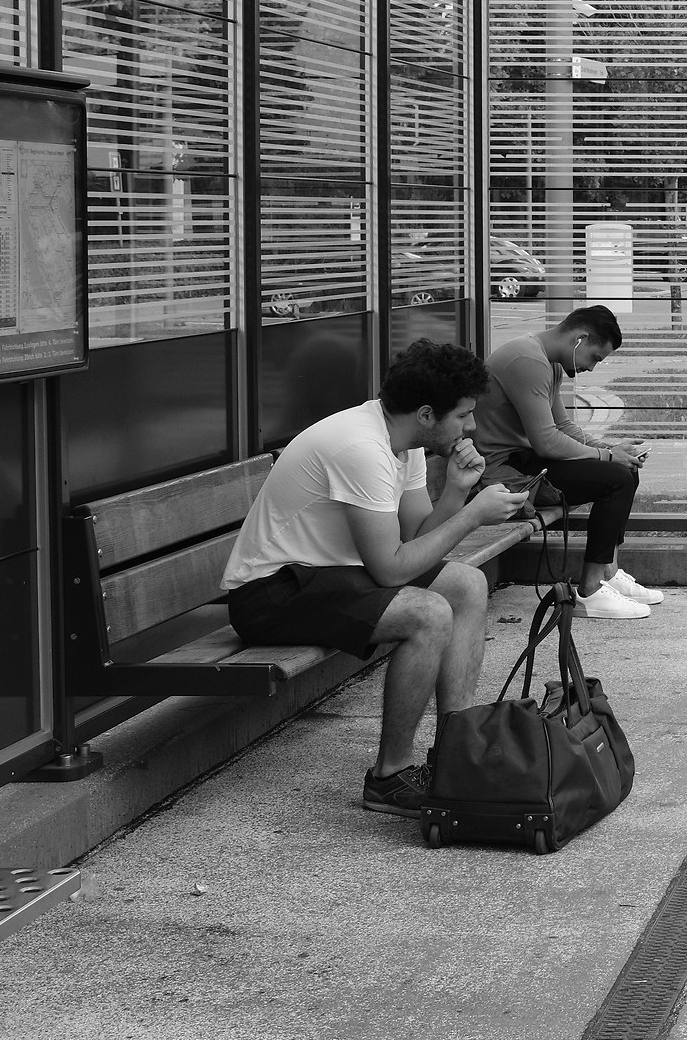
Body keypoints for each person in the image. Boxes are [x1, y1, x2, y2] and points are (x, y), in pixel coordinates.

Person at [219, 340, 530, 818]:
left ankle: (457, 751)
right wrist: (470, 518)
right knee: (427, 614)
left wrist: (456, 493)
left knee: (466, 584)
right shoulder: (361, 448)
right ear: (427, 414)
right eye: (465, 415)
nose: (471, 427)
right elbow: (391, 568)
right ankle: (390, 775)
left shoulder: (402, 441)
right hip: (271, 592)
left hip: (329, 576)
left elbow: (416, 541)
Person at [474, 305, 664, 620]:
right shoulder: (527, 360)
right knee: (615, 478)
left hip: (526, 462)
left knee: (623, 470)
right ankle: (590, 590)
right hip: (506, 473)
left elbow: (563, 428)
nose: (591, 368)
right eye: (595, 357)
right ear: (580, 338)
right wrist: (607, 456)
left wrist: (611, 448)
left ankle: (607, 571)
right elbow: (547, 441)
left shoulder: (547, 361)